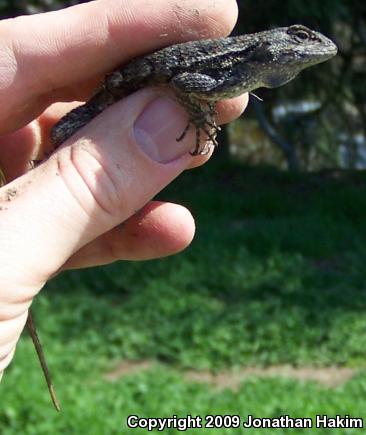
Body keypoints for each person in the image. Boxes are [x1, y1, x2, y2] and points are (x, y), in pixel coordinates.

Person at [0, 0, 247, 380]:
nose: (311, 45)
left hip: (125, 90)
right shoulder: (236, 65)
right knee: (65, 132)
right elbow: (183, 82)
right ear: (272, 45)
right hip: (115, 93)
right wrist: (196, 115)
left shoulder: (238, 68)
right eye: (299, 37)